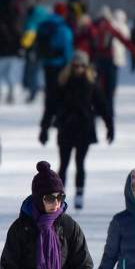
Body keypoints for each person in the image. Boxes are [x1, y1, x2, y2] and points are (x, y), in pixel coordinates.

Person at [53, 51, 113, 210]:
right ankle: (58, 196)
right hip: (66, 127)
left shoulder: (91, 84)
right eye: (75, 65)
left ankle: (79, 193)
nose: (78, 68)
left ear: (86, 67)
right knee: (63, 164)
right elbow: (51, 106)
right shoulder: (63, 83)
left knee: (80, 163)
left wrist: (110, 126)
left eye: (81, 65)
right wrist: (45, 127)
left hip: (84, 129)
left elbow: (103, 106)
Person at [34, 5, 74, 144]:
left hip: (47, 66)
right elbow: (68, 49)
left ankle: (44, 128)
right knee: (62, 98)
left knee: (50, 97)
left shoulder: (44, 25)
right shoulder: (63, 28)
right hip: (61, 67)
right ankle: (59, 125)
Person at [0, 4, 21, 105]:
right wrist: (19, 52)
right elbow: (19, 40)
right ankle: (11, 95)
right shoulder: (15, 25)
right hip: (12, 55)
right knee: (9, 76)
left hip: (1, 54)